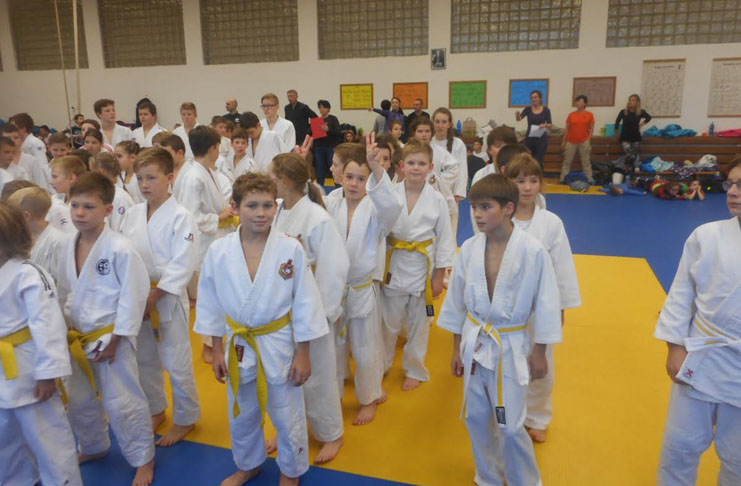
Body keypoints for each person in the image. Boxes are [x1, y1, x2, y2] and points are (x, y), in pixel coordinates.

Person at [195, 172, 327, 486]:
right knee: (242, 413)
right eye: (252, 205)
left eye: (268, 205)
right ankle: (248, 463)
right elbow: (210, 302)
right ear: (235, 207)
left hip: (278, 341)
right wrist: (215, 349)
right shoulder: (219, 250)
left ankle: (291, 471)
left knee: (286, 412)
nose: (261, 213)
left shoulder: (290, 249)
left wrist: (304, 354)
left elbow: (306, 302)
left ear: (276, 207)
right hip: (238, 342)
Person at [438, 173, 562, 486]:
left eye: (486, 207)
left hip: (511, 345)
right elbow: (456, 302)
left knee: (510, 424)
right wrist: (456, 349)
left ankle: (525, 481)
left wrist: (540, 351)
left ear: (508, 209)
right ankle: (488, 477)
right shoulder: (469, 248)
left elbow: (547, 303)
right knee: (477, 417)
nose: (477, 214)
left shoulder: (532, 251)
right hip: (475, 343)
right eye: (475, 207)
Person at [56, 173, 156, 486]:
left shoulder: (121, 248)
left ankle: (143, 458)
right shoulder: (68, 244)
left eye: (89, 207)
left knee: (122, 402)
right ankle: (94, 446)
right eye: (75, 205)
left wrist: (117, 339)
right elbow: (64, 290)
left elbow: (134, 296)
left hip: (111, 337)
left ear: (108, 210)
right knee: (80, 399)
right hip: (77, 336)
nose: (79, 213)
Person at [654, 158, 741, 486]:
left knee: (738, 457)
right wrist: (675, 348)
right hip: (701, 357)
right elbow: (680, 295)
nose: (732, 192)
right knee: (681, 444)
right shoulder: (706, 236)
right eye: (730, 184)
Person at [270, 153, 348, 464]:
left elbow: (335, 266)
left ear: (286, 180)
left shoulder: (317, 217)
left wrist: (323, 313)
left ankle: (332, 434)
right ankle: (289, 427)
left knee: (318, 376)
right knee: (285, 374)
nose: (270, 181)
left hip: (311, 308)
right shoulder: (278, 210)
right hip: (280, 308)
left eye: (273, 177)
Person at [121, 147, 201, 447]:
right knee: (143, 359)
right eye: (140, 178)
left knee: (176, 360)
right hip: (136, 296)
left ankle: (186, 417)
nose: (144, 184)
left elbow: (183, 262)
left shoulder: (181, 217)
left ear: (169, 178)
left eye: (151, 178)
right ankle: (155, 409)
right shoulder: (132, 214)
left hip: (166, 297)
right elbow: (122, 254)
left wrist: (154, 296)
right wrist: (132, 294)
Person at [0, 202, 83, 486]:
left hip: (29, 371)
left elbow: (48, 324)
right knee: (5, 441)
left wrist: (49, 373)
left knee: (49, 440)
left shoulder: (28, 273)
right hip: (2, 373)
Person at [502, 154, 581, 443]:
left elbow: (562, 267)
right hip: (505, 306)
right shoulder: (501, 219)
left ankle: (537, 417)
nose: (527, 187)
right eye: (520, 180)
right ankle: (509, 413)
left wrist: (560, 307)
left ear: (541, 184)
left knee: (540, 366)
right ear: (508, 183)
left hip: (540, 307)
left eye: (533, 181)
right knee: (506, 365)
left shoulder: (551, 223)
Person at [325, 134, 402, 425]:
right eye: (349, 177)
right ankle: (332, 394)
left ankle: (369, 397)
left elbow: (393, 207)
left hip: (360, 287)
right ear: (340, 177)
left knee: (365, 347)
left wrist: (377, 168)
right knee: (332, 347)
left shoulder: (376, 208)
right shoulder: (331, 201)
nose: (354, 184)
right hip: (332, 287)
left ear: (369, 181)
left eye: (361, 178)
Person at [381, 139, 456, 391]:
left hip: (423, 270)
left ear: (431, 167)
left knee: (420, 324)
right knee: (387, 323)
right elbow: (379, 233)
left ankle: (414, 368)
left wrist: (439, 276)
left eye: (421, 163)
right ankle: (382, 364)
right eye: (411, 162)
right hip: (393, 266)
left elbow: (445, 239)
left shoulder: (437, 200)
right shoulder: (390, 195)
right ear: (401, 165)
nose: (416, 167)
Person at [178, 126, 236, 363]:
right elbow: (189, 215)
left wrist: (225, 212)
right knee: (211, 297)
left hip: (218, 239)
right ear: (213, 148)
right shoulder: (194, 176)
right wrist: (218, 217)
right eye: (218, 147)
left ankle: (216, 342)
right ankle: (209, 345)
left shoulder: (205, 171)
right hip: (206, 243)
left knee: (220, 295)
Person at [6, 186, 69, 283]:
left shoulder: (59, 242)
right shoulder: (19, 240)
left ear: (26, 216)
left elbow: (64, 284)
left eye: (13, 216)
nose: (10, 220)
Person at [409, 117, 459, 232]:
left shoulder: (439, 151)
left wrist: (438, 180)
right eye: (420, 131)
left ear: (432, 133)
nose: (424, 135)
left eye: (427, 131)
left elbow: (454, 168)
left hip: (433, 192)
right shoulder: (406, 150)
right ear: (414, 133)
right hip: (411, 192)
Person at [431, 107, 468, 232]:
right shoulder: (429, 142)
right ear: (432, 123)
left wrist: (459, 192)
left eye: (444, 122)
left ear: (449, 124)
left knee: (450, 227)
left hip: (450, 191)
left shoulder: (458, 144)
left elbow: (462, 169)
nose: (440, 125)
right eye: (437, 121)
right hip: (431, 190)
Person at [90, 151, 135, 232]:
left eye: (92, 172)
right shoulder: (104, 194)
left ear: (101, 172)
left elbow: (118, 231)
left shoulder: (119, 198)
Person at [0, 124, 48, 190]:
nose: (12, 141)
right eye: (7, 138)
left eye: (15, 138)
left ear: (21, 139)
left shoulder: (31, 161)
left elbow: (43, 186)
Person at [560, 94, 595, 184]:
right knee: (567, 161)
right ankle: (563, 179)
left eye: (580, 101)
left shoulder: (589, 115)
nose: (578, 103)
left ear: (585, 104)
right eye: (577, 101)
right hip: (571, 141)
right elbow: (567, 128)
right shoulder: (571, 115)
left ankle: (589, 179)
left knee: (586, 162)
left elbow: (591, 127)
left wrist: (588, 139)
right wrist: (564, 141)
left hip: (584, 141)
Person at [48, 156, 86, 235]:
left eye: (55, 177)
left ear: (71, 178)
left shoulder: (86, 206)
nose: (51, 182)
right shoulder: (56, 200)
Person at [614, 94, 652, 173]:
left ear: (637, 102)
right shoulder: (623, 112)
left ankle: (636, 167)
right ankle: (628, 167)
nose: (630, 101)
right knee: (629, 153)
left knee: (635, 153)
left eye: (633, 100)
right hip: (625, 137)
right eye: (630, 100)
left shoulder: (640, 112)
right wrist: (616, 134)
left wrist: (641, 125)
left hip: (636, 137)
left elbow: (649, 117)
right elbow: (617, 122)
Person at [515, 90, 552, 167]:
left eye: (535, 97)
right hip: (530, 138)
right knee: (528, 160)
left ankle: (539, 174)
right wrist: (517, 115)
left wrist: (545, 125)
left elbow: (550, 124)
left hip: (541, 139)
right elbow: (519, 119)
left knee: (539, 160)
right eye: (532, 98)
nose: (533, 99)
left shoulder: (546, 110)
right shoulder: (528, 109)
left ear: (540, 98)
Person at [313, 99, 342, 186]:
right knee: (320, 169)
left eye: (323, 107)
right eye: (320, 108)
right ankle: (319, 189)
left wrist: (328, 129)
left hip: (330, 147)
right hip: (319, 147)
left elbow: (338, 132)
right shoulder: (317, 120)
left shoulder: (333, 119)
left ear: (328, 109)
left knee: (334, 167)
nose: (321, 109)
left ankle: (338, 187)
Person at [158, 134, 193, 201]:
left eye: (167, 154)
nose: (164, 157)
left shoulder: (191, 172)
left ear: (180, 152)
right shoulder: (165, 170)